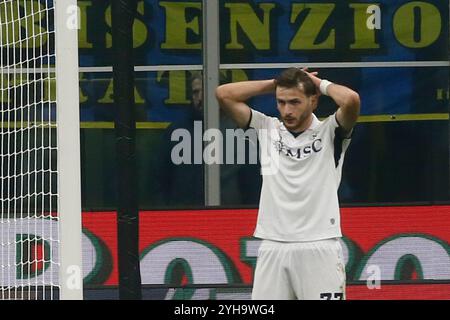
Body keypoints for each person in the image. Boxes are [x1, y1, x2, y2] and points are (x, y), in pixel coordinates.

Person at [215, 67, 360, 300]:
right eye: (281, 102)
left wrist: (318, 83)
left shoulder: (330, 131)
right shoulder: (266, 128)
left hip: (319, 243)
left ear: (313, 101)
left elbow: (351, 100)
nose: (287, 110)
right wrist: (276, 83)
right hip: (273, 244)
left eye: (294, 102)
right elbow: (224, 94)